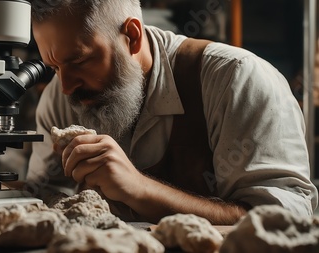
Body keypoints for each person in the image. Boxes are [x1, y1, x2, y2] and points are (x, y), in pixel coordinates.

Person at [25, 0, 318, 225]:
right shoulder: (62, 94)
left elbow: (284, 222)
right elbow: (43, 196)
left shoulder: (237, 81)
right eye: (54, 67)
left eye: (80, 60)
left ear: (132, 36)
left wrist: (139, 188)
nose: (65, 86)